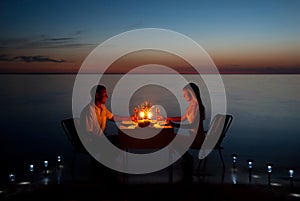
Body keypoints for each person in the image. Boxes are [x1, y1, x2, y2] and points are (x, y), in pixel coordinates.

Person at [79, 84, 134, 183]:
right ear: (96, 95)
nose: (107, 96)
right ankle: (106, 170)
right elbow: (88, 132)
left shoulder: (102, 108)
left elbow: (113, 117)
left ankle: (106, 166)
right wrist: (104, 140)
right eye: (104, 94)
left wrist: (131, 118)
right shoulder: (89, 111)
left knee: (120, 139)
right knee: (114, 144)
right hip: (91, 142)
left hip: (100, 138)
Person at [166, 82, 206, 183]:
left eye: (185, 94)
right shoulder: (191, 105)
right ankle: (186, 158)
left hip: (197, 138)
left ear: (191, 93)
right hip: (191, 135)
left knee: (171, 138)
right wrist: (167, 118)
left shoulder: (198, 107)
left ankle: (187, 158)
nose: (183, 96)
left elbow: (193, 126)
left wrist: (174, 125)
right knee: (170, 137)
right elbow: (182, 118)